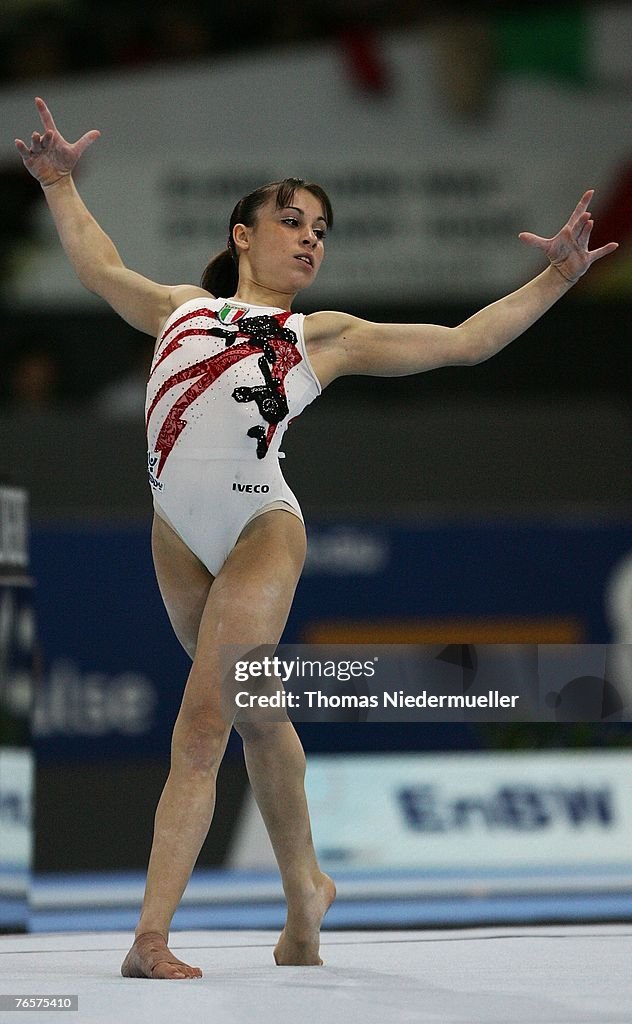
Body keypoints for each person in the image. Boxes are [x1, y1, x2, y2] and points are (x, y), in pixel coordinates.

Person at [15, 97, 617, 979]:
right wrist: (61, 182)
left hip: (262, 524)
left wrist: (556, 278)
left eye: (322, 230)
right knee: (258, 716)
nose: (310, 239)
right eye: (291, 222)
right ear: (243, 236)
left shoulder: (321, 337)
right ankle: (307, 894)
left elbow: (462, 343)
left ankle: (150, 938)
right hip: (176, 533)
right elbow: (99, 263)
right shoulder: (179, 308)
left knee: (201, 725)